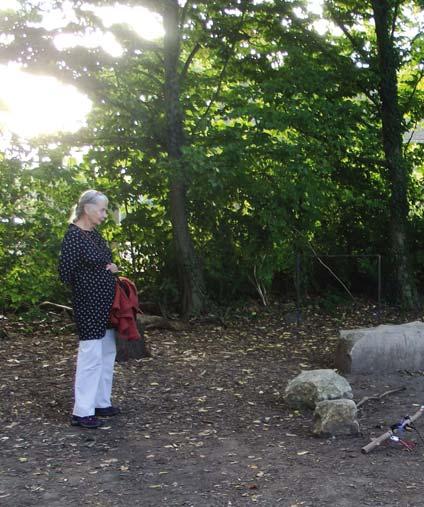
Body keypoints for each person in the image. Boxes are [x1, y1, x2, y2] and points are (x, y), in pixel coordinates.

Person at [59, 190, 121, 428]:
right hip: (88, 304)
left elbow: (104, 260)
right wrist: (100, 272)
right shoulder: (73, 236)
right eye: (102, 209)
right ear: (87, 209)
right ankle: (82, 411)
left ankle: (101, 402)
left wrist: (110, 268)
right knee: (91, 355)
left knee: (107, 352)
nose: (105, 215)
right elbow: (66, 273)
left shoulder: (94, 235)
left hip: (106, 304)